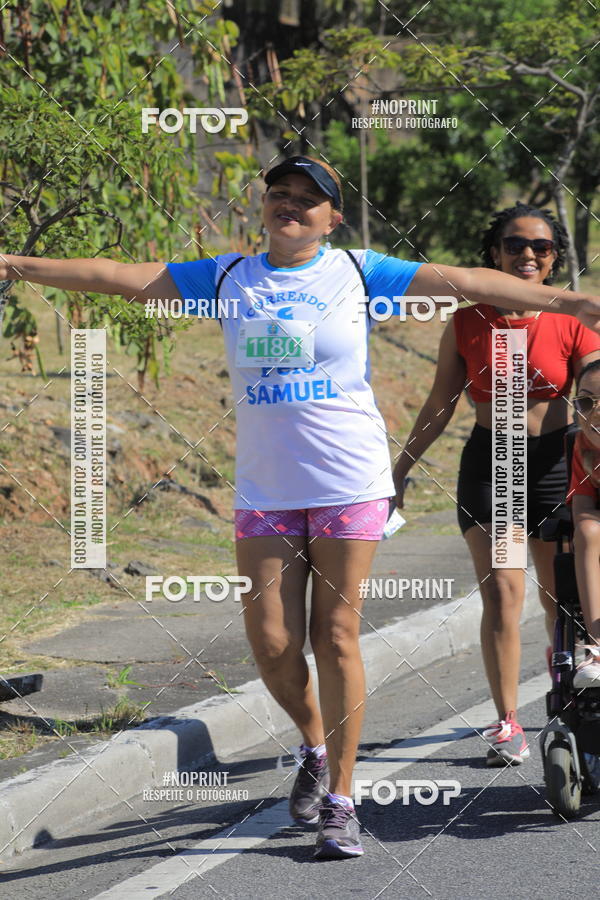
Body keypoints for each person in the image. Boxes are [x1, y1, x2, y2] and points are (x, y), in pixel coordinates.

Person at [4, 166, 600, 858]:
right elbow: (116, 276)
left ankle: (341, 800)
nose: (290, 205)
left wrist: (570, 302)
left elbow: (469, 281)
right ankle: (315, 747)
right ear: (265, 207)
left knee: (335, 634)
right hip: (267, 488)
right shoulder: (226, 278)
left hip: (349, 480)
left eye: (308, 199)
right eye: (280, 195)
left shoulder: (359, 272)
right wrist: (16, 264)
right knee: (272, 642)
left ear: (332, 218)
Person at [393, 203, 600, 767]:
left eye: (541, 247)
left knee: (564, 598)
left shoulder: (571, 320)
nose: (527, 255)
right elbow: (440, 405)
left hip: (560, 464)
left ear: (554, 258)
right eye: (515, 245)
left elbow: (596, 387)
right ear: (494, 254)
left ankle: (575, 703)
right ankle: (507, 721)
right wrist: (400, 468)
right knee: (503, 593)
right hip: (497, 468)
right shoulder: (467, 322)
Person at [567, 358, 600, 687]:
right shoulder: (583, 446)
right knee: (587, 531)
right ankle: (598, 647)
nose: (596, 412)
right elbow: (582, 510)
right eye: (587, 402)